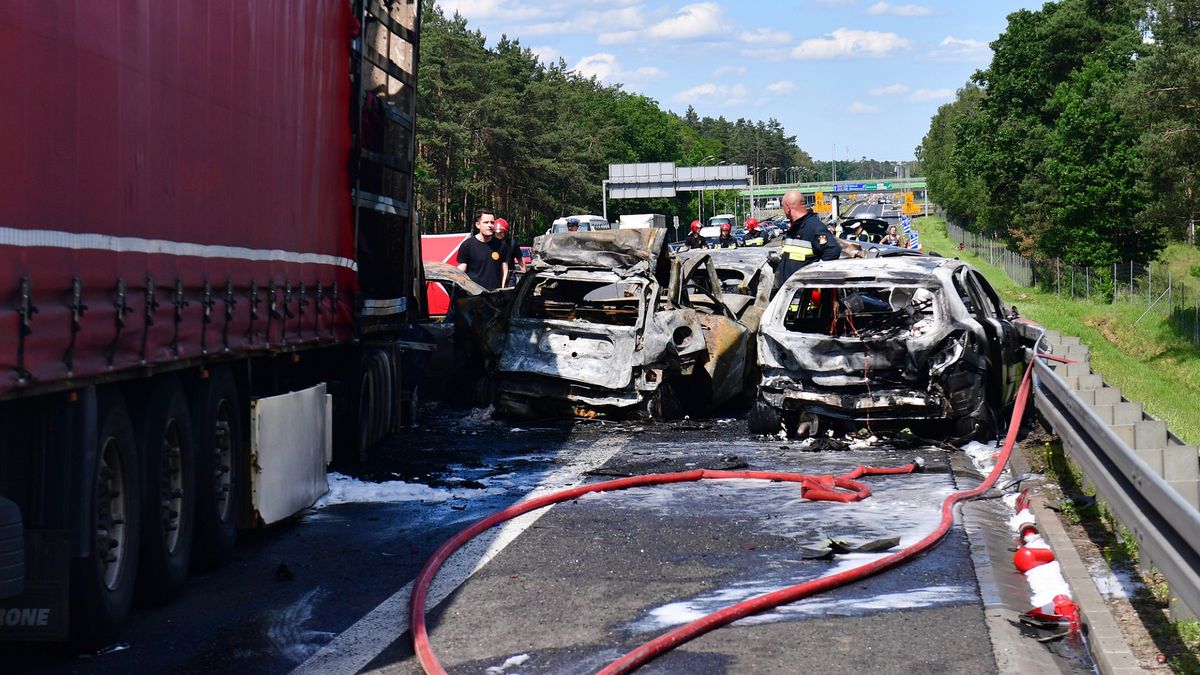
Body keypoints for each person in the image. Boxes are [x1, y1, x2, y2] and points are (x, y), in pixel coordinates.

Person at [777, 190, 841, 289]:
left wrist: (815, 277)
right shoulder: (795, 227)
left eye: (783, 207)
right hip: (788, 292)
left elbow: (833, 251)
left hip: (804, 297)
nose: (783, 210)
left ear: (788, 207)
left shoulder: (814, 227)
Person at [456, 208, 505, 289]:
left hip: (495, 295)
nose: (490, 225)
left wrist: (503, 290)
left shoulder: (501, 245)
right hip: (474, 294)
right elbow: (461, 271)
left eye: (492, 222)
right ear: (478, 225)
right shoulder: (467, 245)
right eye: (486, 222)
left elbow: (505, 270)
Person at [494, 217, 524, 287]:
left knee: (509, 295)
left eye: (501, 232)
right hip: (495, 273)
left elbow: (520, 260)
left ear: (506, 232)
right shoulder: (491, 244)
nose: (499, 234)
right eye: (496, 233)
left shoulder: (512, 243)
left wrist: (524, 275)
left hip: (510, 275)